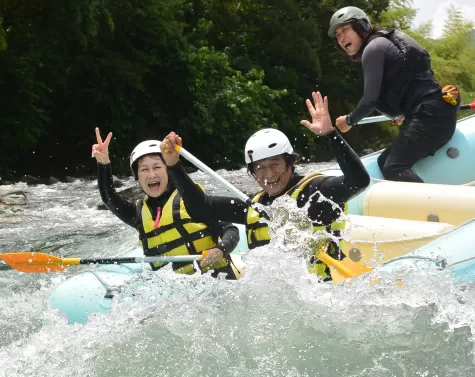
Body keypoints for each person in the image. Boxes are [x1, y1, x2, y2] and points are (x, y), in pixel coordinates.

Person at [159, 92, 370, 280]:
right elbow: (200, 207)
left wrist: (331, 135)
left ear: (290, 161)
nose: (268, 175)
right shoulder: (256, 206)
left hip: (326, 290)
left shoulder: (316, 192)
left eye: (275, 164)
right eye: (259, 168)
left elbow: (359, 182)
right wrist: (174, 166)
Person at [327, 6, 460, 183]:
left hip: (429, 116)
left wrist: (349, 121)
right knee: (384, 162)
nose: (342, 38)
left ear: (362, 27)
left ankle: (432, 207)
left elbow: (370, 99)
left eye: (345, 30)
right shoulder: (383, 43)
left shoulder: (373, 49)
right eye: (337, 35)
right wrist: (398, 114)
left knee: (393, 167)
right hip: (430, 113)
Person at [91, 128, 242, 279]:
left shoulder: (191, 201)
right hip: (173, 291)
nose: (151, 175)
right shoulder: (138, 214)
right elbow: (110, 200)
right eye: (144, 169)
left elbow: (230, 229)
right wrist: (103, 164)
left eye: (157, 167)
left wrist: (220, 250)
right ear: (137, 176)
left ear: (168, 171)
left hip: (214, 279)